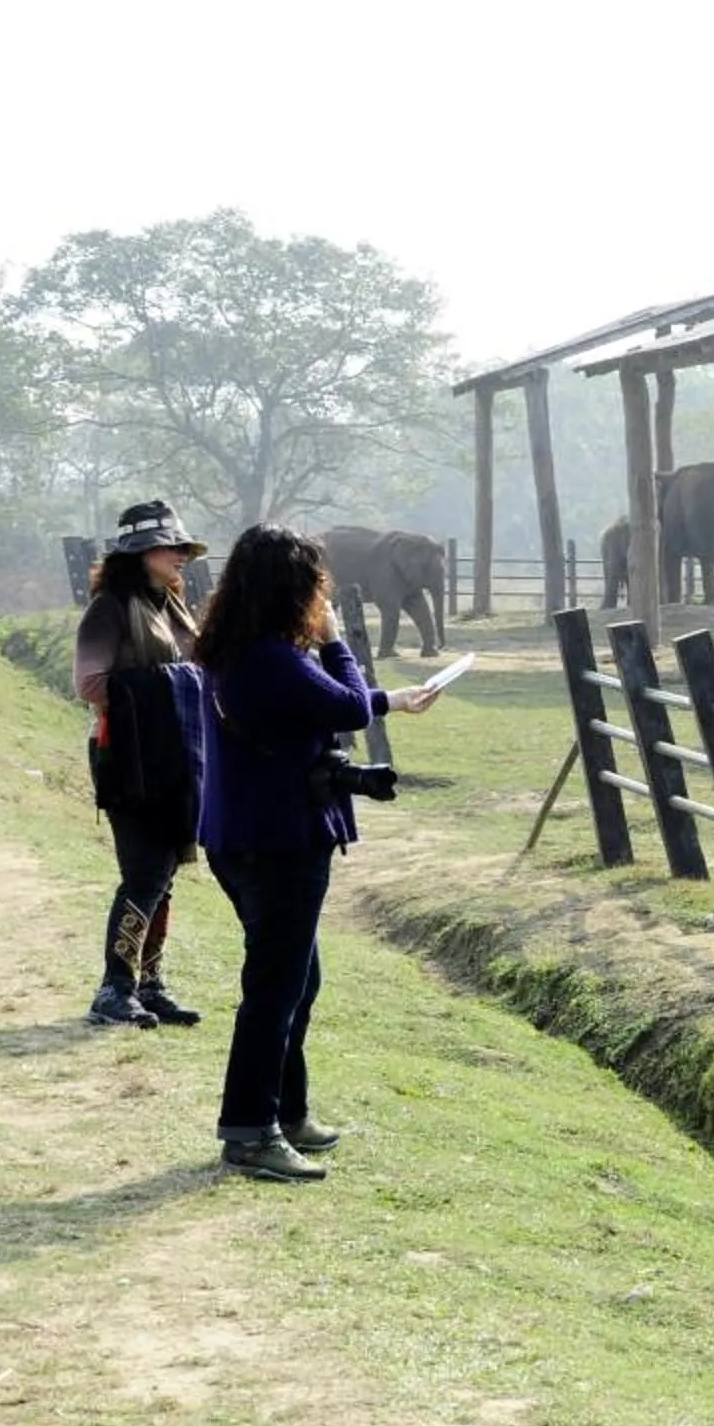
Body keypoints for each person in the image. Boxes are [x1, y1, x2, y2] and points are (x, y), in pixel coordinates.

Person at [193, 524, 444, 1183]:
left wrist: (396, 698)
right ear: (294, 590)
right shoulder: (277, 657)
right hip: (280, 841)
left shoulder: (231, 651)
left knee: (296, 981)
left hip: (238, 836)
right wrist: (336, 642)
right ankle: (250, 1130)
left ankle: (287, 1110)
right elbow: (349, 708)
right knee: (274, 990)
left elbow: (318, 707)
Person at [74, 500, 210, 1028]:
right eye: (172, 547)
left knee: (165, 873)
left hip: (174, 755)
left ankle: (148, 985)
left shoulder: (171, 604)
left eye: (183, 547)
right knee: (144, 872)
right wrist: (171, 689)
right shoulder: (108, 608)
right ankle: (113, 989)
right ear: (140, 553)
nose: (182, 555)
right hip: (127, 756)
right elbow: (90, 684)